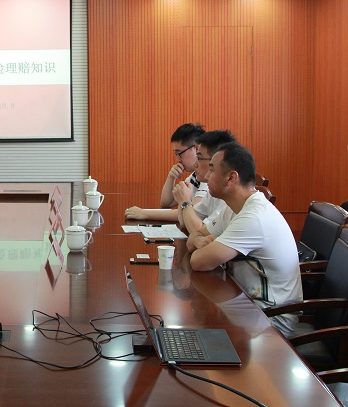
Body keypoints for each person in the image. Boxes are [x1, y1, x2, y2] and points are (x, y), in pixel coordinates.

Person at [187, 143, 302, 336]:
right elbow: (196, 235)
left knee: (198, 334)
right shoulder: (233, 207)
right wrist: (198, 241)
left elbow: (198, 262)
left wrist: (198, 244)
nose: (206, 176)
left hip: (271, 320)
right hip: (244, 302)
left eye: (212, 170)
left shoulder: (254, 217)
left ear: (231, 178)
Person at [125, 123, 206, 222]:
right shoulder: (194, 176)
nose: (178, 160)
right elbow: (166, 203)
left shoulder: (207, 178)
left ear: (196, 149)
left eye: (179, 153)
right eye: (175, 154)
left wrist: (145, 213)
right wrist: (171, 177)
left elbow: (192, 212)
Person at [174, 129, 237, 236]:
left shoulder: (229, 195)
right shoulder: (215, 188)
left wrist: (185, 201)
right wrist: (182, 201)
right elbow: (185, 222)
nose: (195, 165)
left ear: (216, 160)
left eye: (199, 158)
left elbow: (200, 232)